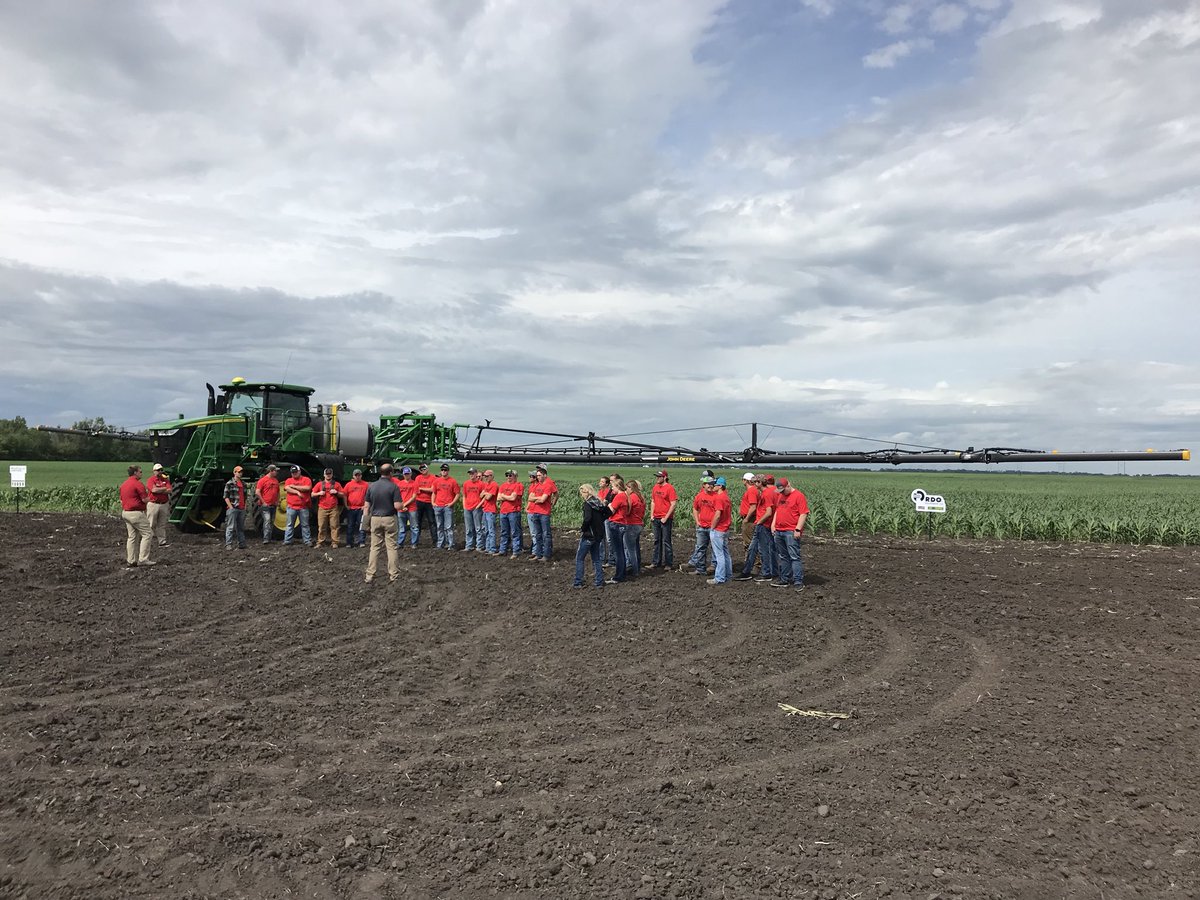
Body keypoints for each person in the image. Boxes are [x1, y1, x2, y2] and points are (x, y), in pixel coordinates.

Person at [363, 463, 403, 584]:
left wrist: (365, 523)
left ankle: (370, 575)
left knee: (374, 547)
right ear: (390, 473)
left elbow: (366, 506)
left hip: (375, 518)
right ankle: (393, 575)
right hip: (389, 518)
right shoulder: (394, 487)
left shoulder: (372, 486)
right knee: (391, 548)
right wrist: (402, 505)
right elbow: (397, 506)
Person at [770, 477, 809, 592]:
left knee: (794, 556)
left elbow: (803, 514)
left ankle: (798, 581)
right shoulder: (781, 496)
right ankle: (784, 579)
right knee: (783, 556)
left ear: (788, 485)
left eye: (783, 490)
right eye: (779, 491)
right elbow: (778, 510)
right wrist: (773, 524)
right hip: (779, 530)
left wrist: (798, 529)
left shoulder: (798, 496)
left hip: (791, 531)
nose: (781, 493)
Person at [573, 484, 611, 588]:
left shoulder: (587, 504)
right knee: (596, 558)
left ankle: (578, 582)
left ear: (586, 492)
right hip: (598, 534)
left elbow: (587, 519)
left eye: (582, 492)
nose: (582, 495)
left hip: (589, 535)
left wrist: (583, 529)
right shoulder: (598, 502)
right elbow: (608, 512)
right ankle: (599, 581)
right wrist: (600, 521)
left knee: (580, 558)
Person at [119, 465, 154, 567]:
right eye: (140, 472)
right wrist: (151, 499)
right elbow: (144, 499)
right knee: (147, 533)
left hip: (126, 512)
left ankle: (131, 560)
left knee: (132, 537)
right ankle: (143, 559)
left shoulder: (124, 484)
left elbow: (121, 499)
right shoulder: (138, 484)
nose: (141, 473)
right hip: (136, 513)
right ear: (135, 473)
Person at [683, 475, 716, 575]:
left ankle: (715, 568)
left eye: (712, 484)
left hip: (713, 527)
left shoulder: (716, 496)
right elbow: (695, 509)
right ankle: (700, 569)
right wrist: (697, 521)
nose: (710, 486)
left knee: (715, 549)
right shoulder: (699, 496)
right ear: (703, 485)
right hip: (702, 527)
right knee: (700, 548)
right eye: (708, 484)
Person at [648, 469, 677, 570]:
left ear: (665, 477)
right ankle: (656, 562)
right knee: (657, 540)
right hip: (656, 517)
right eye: (657, 476)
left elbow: (673, 504)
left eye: (659, 477)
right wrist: (651, 515)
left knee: (666, 541)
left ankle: (668, 563)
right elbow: (653, 501)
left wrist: (666, 517)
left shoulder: (670, 488)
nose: (657, 478)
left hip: (665, 518)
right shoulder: (655, 487)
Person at [707, 476, 733, 584]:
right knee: (725, 553)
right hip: (725, 528)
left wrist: (712, 527)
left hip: (718, 529)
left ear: (720, 486)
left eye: (715, 484)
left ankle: (719, 578)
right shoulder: (726, 497)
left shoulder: (719, 497)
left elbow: (718, 514)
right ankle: (728, 575)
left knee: (719, 554)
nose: (713, 486)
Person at [527, 464, 556, 561]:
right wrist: (537, 499)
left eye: (539, 475)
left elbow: (543, 500)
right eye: (537, 475)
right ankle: (538, 554)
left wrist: (537, 499)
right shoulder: (537, 485)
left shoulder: (548, 484)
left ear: (544, 474)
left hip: (544, 513)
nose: (537, 477)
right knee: (538, 534)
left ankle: (546, 555)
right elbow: (530, 498)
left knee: (545, 534)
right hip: (535, 512)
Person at [605, 474, 629, 583]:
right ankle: (622, 573)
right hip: (621, 524)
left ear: (618, 486)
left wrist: (608, 505)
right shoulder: (625, 495)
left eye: (613, 487)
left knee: (618, 551)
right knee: (620, 551)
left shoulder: (619, 496)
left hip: (616, 523)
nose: (612, 489)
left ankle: (618, 576)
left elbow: (612, 510)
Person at [312, 468, 344, 549]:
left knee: (335, 526)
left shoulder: (337, 484)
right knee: (322, 526)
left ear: (332, 475)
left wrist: (336, 492)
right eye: (327, 474)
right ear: (324, 475)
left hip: (333, 508)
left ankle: (335, 542)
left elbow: (342, 494)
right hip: (322, 508)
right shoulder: (319, 484)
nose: (328, 475)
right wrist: (319, 493)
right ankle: (320, 542)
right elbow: (312, 494)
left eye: (329, 474)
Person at [282, 465, 313, 546]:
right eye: (292, 472)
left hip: (303, 506)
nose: (294, 474)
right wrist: (297, 492)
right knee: (289, 525)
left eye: (295, 472)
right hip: (291, 506)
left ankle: (307, 540)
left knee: (305, 525)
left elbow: (307, 488)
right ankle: (287, 540)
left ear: (299, 471)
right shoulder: (288, 480)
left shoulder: (306, 479)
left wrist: (294, 487)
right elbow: (287, 488)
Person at [432, 463, 460, 549]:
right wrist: (433, 502)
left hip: (447, 507)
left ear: (448, 471)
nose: (444, 471)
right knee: (439, 526)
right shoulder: (437, 481)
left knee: (448, 527)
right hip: (438, 506)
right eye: (442, 470)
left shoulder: (453, 481)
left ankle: (450, 544)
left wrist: (451, 503)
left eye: (445, 470)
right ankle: (440, 544)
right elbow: (434, 492)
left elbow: (457, 494)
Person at [497, 470, 524, 558]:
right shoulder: (503, 485)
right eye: (507, 475)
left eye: (510, 475)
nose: (508, 477)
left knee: (515, 532)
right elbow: (498, 497)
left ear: (515, 477)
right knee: (504, 532)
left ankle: (516, 551)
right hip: (503, 511)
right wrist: (507, 496)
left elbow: (513, 498)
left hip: (513, 511)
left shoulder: (518, 485)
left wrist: (504, 496)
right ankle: (502, 550)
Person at [624, 478, 646, 577]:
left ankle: (634, 570)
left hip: (631, 524)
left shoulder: (631, 497)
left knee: (630, 549)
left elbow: (628, 512)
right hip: (639, 523)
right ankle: (637, 567)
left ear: (631, 488)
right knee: (635, 547)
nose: (626, 490)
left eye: (627, 488)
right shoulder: (640, 497)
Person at [146, 463, 172, 547]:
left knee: (162, 524)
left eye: (161, 470)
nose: (160, 471)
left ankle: (162, 541)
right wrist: (164, 489)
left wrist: (160, 489)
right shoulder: (151, 480)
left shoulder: (165, 480)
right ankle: (147, 542)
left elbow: (170, 490)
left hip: (164, 504)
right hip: (153, 504)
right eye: (158, 470)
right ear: (154, 471)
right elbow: (153, 490)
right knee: (151, 523)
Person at [223, 465, 248, 550]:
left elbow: (245, 496)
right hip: (233, 507)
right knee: (230, 527)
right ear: (234, 472)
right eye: (239, 472)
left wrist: (245, 506)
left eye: (241, 472)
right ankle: (228, 544)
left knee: (240, 527)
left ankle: (242, 543)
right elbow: (226, 496)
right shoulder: (229, 483)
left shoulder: (244, 484)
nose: (240, 473)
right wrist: (231, 507)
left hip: (241, 508)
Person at [342, 469, 369, 548]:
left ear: (361, 475)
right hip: (351, 508)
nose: (357, 476)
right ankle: (349, 542)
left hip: (361, 508)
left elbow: (368, 495)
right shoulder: (348, 485)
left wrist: (365, 506)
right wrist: (346, 505)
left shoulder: (365, 484)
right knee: (350, 525)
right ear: (353, 476)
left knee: (361, 526)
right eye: (356, 475)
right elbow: (344, 495)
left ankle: (361, 542)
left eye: (359, 475)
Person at [254, 464, 280, 544]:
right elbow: (257, 492)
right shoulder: (262, 480)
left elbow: (278, 492)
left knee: (271, 522)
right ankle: (266, 538)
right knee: (267, 520)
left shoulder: (276, 481)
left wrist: (277, 501)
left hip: (273, 505)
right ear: (271, 471)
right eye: (275, 471)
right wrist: (264, 502)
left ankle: (269, 538)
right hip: (265, 505)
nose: (277, 472)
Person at [395, 466, 420, 548]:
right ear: (403, 474)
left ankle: (414, 543)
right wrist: (401, 505)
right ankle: (400, 543)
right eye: (405, 474)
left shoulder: (414, 483)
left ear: (411, 474)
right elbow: (397, 496)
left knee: (414, 526)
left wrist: (404, 505)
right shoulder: (399, 484)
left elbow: (414, 497)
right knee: (401, 527)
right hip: (401, 508)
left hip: (411, 508)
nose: (406, 475)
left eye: (408, 474)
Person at [413, 462, 437, 547]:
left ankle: (435, 541)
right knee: (417, 522)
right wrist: (425, 489)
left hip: (429, 502)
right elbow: (416, 489)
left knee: (432, 522)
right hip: (419, 501)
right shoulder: (418, 478)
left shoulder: (433, 478)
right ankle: (415, 542)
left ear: (427, 469)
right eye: (421, 469)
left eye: (424, 469)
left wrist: (421, 488)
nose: (423, 470)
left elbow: (432, 490)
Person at [460, 468, 483, 551]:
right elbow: (464, 496)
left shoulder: (481, 484)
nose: (471, 475)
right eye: (470, 473)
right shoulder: (466, 484)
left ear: (476, 474)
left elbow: (483, 496)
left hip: (477, 508)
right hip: (468, 507)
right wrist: (464, 506)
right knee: (468, 528)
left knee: (478, 527)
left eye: (473, 473)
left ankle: (479, 545)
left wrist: (479, 505)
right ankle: (469, 545)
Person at [478, 470, 500, 553]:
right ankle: (488, 547)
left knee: (491, 530)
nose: (485, 478)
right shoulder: (486, 485)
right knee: (486, 530)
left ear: (491, 476)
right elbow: (481, 495)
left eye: (487, 476)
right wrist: (485, 493)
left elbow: (488, 497)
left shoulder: (494, 485)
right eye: (485, 476)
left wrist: (485, 493)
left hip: (491, 510)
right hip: (486, 509)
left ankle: (492, 548)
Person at [597, 475, 616, 565]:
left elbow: (604, 503)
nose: (600, 483)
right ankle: (602, 558)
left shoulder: (610, 492)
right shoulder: (600, 491)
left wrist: (601, 502)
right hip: (601, 516)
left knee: (609, 539)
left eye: (602, 482)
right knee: (601, 537)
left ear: (607, 484)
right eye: (600, 481)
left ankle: (611, 558)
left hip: (607, 517)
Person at [738, 472, 759, 545]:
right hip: (749, 518)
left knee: (748, 541)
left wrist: (746, 519)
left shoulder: (751, 491)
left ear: (745, 480)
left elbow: (753, 507)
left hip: (750, 520)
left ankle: (751, 556)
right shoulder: (752, 490)